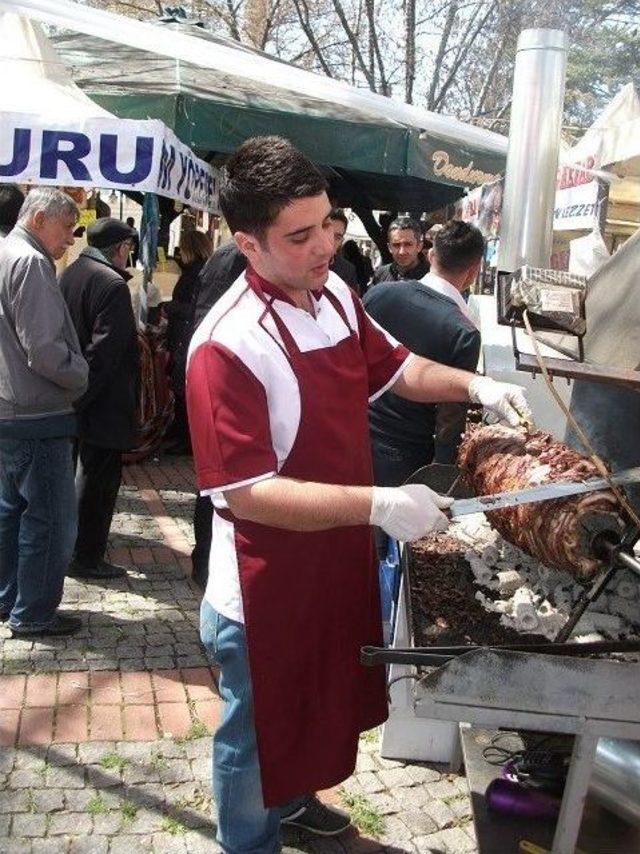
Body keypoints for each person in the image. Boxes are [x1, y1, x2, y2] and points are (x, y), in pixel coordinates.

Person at [186, 135, 531, 851]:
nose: (324, 246)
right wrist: (379, 503)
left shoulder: (336, 295)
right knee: (254, 731)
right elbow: (247, 493)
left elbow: (400, 369)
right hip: (264, 583)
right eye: (300, 236)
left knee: (309, 706)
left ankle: (291, 802)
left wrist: (476, 386)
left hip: (333, 561)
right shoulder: (226, 345)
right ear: (248, 243)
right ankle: (248, 839)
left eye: (327, 224)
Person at [365, 220, 485, 555]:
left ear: (430, 255)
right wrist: (444, 473)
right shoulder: (463, 332)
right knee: (391, 549)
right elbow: (450, 414)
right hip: (407, 457)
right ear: (474, 271)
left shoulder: (379, 295)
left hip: (356, 437)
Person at [0, 188, 88, 636]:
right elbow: (45, 351)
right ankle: (32, 612)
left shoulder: (7, 252)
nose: (70, 239)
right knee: (49, 520)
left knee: (12, 511)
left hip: (12, 409)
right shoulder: (30, 262)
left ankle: (11, 599)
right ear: (39, 219)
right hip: (37, 412)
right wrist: (81, 374)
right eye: (67, 228)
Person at [60, 217, 140, 580]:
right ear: (120, 248)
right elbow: (105, 352)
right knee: (98, 482)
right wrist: (82, 396)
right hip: (101, 401)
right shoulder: (111, 283)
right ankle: (87, 556)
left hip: (78, 394)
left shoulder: (73, 272)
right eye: (128, 248)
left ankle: (78, 549)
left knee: (82, 475)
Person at [164, 229, 213, 454]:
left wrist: (169, 307)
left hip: (185, 335)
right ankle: (181, 433)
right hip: (185, 335)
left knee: (182, 386)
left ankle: (184, 437)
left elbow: (192, 308)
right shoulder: (204, 270)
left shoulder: (195, 273)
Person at [370, 216, 429, 285]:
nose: (402, 252)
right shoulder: (381, 275)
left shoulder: (431, 277)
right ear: (389, 247)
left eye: (408, 244)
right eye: (396, 245)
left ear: (419, 246)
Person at [327, 208, 359, 293]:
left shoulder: (347, 270)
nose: (332, 241)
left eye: (337, 237)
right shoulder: (302, 264)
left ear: (341, 241)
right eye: (328, 234)